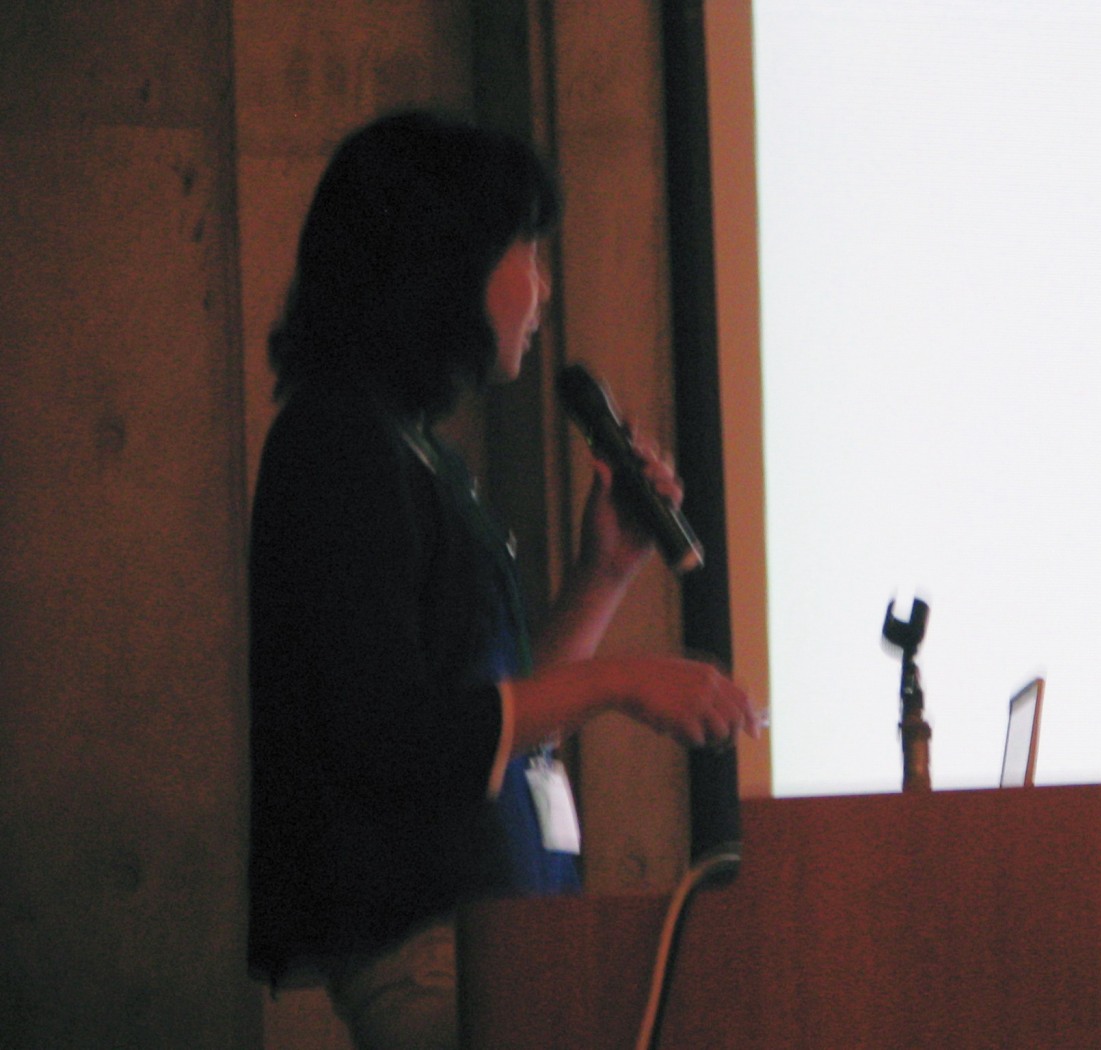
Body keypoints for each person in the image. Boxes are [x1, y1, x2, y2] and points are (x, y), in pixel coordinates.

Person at [246, 109, 758, 1050]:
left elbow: (496, 725)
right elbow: (393, 737)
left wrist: (605, 573)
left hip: (503, 940)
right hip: (438, 956)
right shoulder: (337, 444)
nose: (544, 287)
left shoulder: (417, 452)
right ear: (446, 261)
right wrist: (622, 682)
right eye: (527, 249)